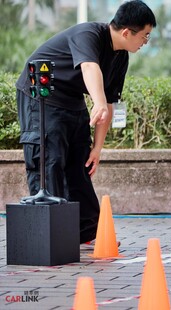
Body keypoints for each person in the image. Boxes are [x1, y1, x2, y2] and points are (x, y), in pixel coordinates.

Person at [15, 0, 157, 244]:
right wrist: (98, 102)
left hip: (71, 99)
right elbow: (89, 67)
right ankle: (54, 233)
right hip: (40, 96)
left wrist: (98, 148)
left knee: (80, 164)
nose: (145, 42)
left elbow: (109, 105)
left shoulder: (121, 56)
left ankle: (87, 233)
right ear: (126, 32)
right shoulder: (88, 33)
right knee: (50, 160)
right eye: (145, 36)